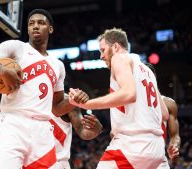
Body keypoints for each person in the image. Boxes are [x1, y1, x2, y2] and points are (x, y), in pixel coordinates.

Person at [0, 9, 88, 169]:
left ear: (50, 29)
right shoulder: (16, 48)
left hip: (43, 130)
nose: (35, 26)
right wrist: (0, 71)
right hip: (13, 125)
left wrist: (73, 101)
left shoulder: (58, 65)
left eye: (41, 23)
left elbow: (56, 109)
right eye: (31, 24)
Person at [69, 28, 169, 169]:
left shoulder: (119, 58)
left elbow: (129, 94)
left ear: (115, 47)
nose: (101, 56)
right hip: (157, 149)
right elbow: (164, 113)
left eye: (103, 50)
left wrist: (88, 104)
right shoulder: (147, 71)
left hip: (132, 146)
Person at [51, 94, 103, 169]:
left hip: (57, 163)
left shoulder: (68, 100)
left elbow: (83, 132)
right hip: (30, 158)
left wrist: (96, 131)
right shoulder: (29, 99)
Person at [158, 96, 181, 169]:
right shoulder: (125, 98)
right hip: (128, 156)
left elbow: (175, 136)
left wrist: (174, 146)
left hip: (158, 160)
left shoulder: (168, 103)